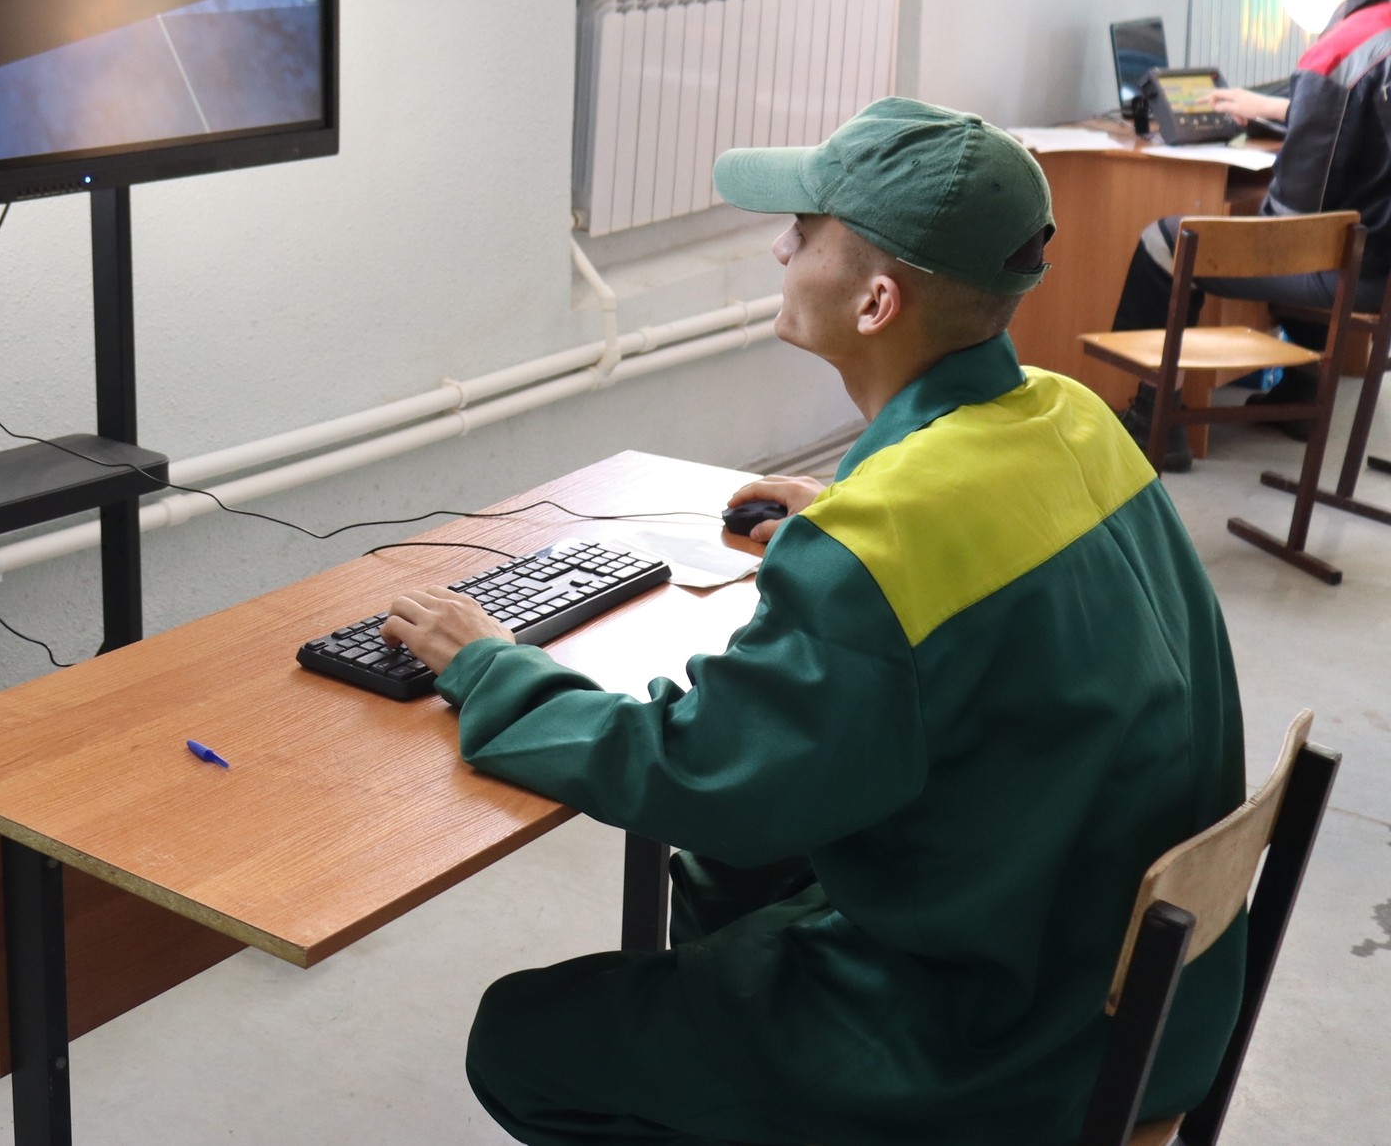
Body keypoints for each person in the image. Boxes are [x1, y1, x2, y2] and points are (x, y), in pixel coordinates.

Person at [382, 98, 1245, 1146]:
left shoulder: (880, 543)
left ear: (877, 300)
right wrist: (842, 514)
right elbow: (983, 560)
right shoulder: (1075, 419)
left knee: (522, 1038)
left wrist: (488, 665)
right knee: (729, 879)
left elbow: (697, 774)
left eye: (805, 231)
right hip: (1144, 1008)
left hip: (993, 1049)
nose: (781, 248)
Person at [1110, 0, 1391, 466]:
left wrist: (1242, 209)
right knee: (1325, 232)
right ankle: (1301, 393)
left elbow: (1292, 221)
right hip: (1384, 256)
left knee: (1165, 242)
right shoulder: (1380, 31)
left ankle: (1153, 422)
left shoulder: (1331, 57)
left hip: (1367, 274)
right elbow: (1365, 124)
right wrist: (1282, 110)